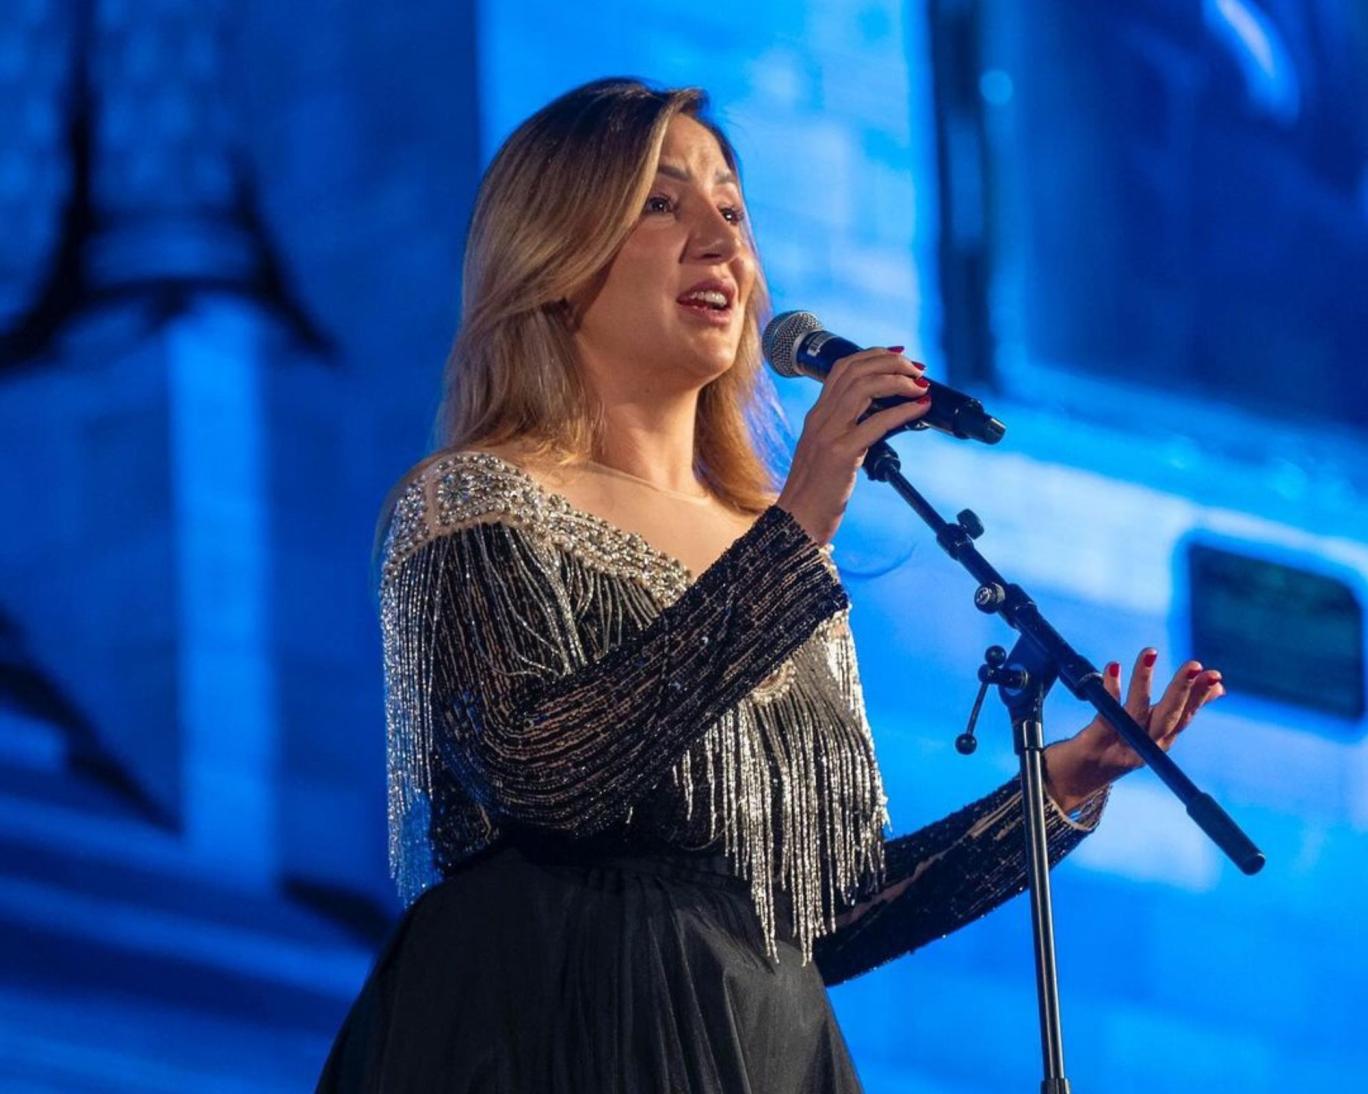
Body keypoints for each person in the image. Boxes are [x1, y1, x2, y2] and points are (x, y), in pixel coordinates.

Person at [316, 77, 1225, 1092]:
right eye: (662, 204)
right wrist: (795, 532)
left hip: (758, 1053)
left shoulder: (782, 555)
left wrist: (1055, 790)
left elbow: (811, 923)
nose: (720, 242)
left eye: (733, 211)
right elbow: (543, 772)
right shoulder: (479, 501)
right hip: (545, 1032)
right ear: (555, 253)